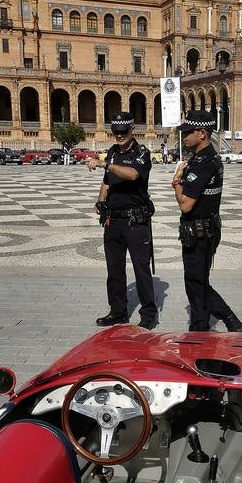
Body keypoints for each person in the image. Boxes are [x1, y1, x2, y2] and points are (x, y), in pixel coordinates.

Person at [172, 110, 242, 333]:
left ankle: (224, 322)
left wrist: (177, 180)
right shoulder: (207, 158)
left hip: (199, 232)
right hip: (205, 229)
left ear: (202, 133)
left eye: (188, 132)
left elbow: (185, 204)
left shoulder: (202, 164)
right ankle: (203, 324)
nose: (184, 136)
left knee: (196, 281)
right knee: (196, 280)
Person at [86, 112, 158, 329]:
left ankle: (148, 314)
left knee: (141, 269)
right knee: (114, 269)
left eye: (123, 132)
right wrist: (100, 203)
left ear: (132, 129)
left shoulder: (142, 153)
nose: (119, 136)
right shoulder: (113, 152)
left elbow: (133, 175)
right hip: (113, 221)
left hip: (135, 221)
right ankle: (117, 312)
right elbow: (107, 182)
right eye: (115, 132)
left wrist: (104, 164)